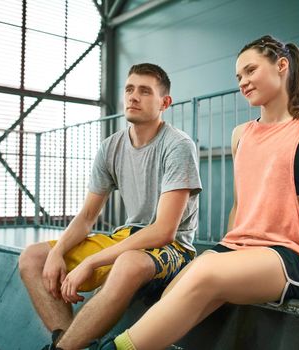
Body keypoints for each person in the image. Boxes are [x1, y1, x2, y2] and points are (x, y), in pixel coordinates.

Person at [103, 35, 299, 350]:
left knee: (204, 271)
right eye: (238, 77)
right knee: (176, 290)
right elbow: (240, 205)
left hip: (287, 255)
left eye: (250, 71)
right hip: (237, 248)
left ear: (282, 66)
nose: (243, 82)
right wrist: (227, 252)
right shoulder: (241, 135)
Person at [18, 63, 202, 350]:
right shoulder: (110, 147)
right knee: (32, 257)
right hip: (126, 236)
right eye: (129, 89)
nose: (133, 97)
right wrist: (57, 252)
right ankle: (68, 343)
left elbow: (165, 230)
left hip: (175, 248)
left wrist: (92, 261)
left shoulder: (178, 145)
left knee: (128, 262)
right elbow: (87, 216)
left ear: (164, 102)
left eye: (144, 91)